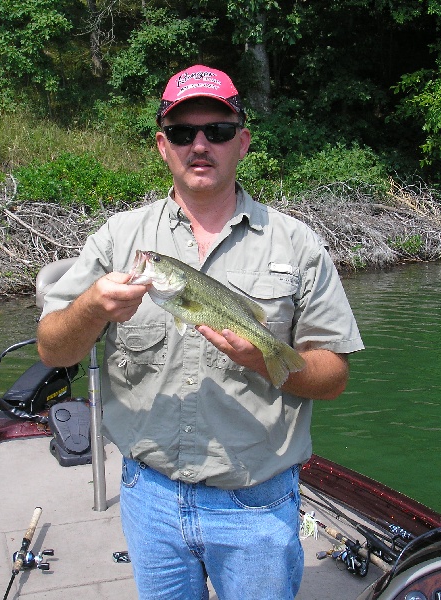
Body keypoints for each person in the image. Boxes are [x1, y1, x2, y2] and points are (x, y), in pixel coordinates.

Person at [36, 64, 364, 599]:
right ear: (163, 146)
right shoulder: (120, 238)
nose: (201, 144)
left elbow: (333, 378)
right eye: (184, 133)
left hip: (256, 502)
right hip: (150, 497)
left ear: (243, 142)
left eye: (218, 130)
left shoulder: (298, 245)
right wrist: (93, 307)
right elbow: (53, 349)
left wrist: (261, 358)